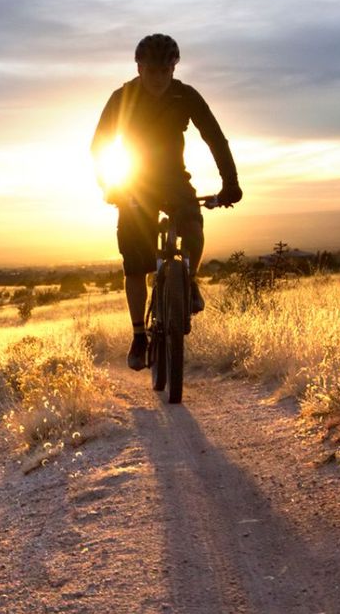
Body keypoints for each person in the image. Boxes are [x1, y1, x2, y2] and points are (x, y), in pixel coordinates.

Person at [91, 33, 242, 371]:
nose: (159, 79)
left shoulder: (185, 95)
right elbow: (100, 144)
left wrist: (230, 183)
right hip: (134, 184)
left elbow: (215, 138)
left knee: (193, 225)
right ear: (139, 68)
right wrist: (109, 184)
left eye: (165, 71)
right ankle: (139, 335)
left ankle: (186, 283)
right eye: (152, 71)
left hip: (174, 181)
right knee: (134, 263)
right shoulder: (123, 97)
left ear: (174, 69)